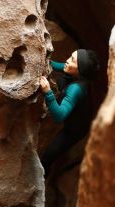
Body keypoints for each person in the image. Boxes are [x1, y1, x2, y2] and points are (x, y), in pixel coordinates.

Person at [40, 49, 100, 177]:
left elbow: (59, 116)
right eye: (70, 56)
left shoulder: (76, 89)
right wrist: (43, 61)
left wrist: (47, 92)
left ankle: (42, 178)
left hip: (75, 129)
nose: (67, 61)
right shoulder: (75, 71)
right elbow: (56, 65)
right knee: (62, 79)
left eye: (72, 60)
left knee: (49, 154)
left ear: (80, 70)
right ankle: (61, 100)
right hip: (74, 110)